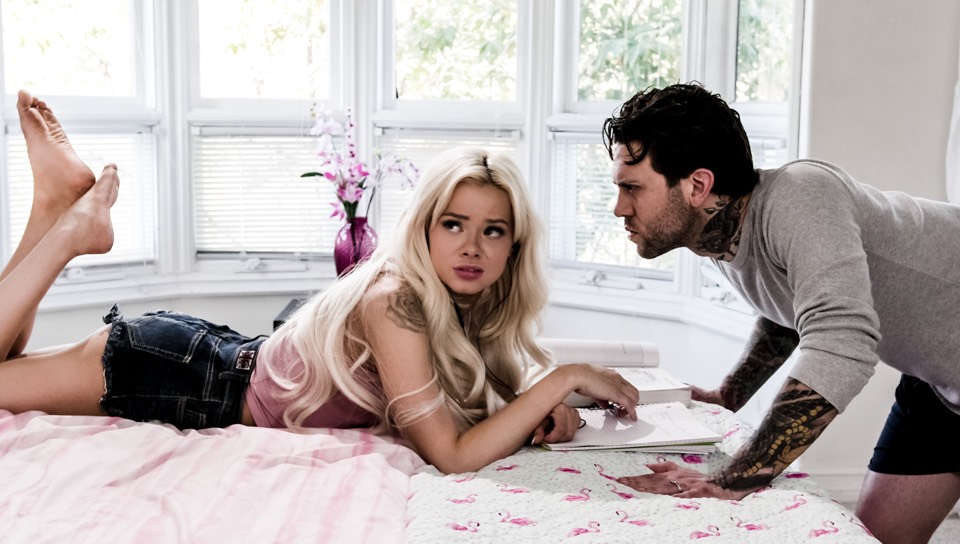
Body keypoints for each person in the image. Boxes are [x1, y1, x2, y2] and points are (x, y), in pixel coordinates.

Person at [0, 91, 640, 475]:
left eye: (493, 230)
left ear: (514, 246)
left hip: (207, 356)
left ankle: (50, 208)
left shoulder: (461, 303)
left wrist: (531, 410)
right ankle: (67, 233)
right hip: (183, 377)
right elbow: (451, 454)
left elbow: (467, 411)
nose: (472, 245)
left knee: (7, 364)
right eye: (453, 224)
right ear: (424, 228)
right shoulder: (395, 301)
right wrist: (561, 378)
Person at [603, 82, 960, 544]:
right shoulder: (721, 234)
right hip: (938, 387)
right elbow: (789, 309)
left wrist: (735, 478)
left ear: (698, 186)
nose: (619, 208)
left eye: (631, 187)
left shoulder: (800, 195)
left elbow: (842, 338)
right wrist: (728, 395)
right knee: (873, 538)